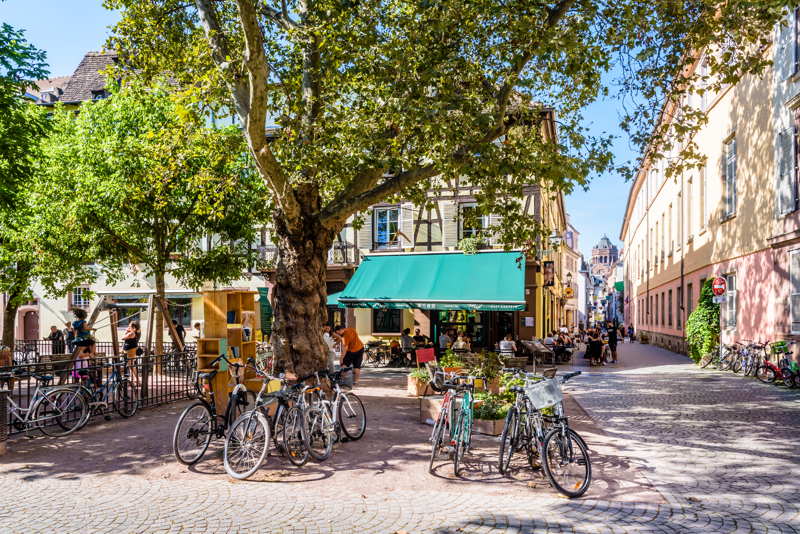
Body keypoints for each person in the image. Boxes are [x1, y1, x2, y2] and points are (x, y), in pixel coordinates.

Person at [122, 321, 141, 386]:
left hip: (130, 351)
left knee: (131, 366)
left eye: (130, 326)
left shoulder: (132, 333)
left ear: (134, 328)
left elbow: (123, 337)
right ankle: (133, 380)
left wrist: (126, 331)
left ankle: (137, 380)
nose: (128, 327)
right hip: (129, 351)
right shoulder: (132, 333)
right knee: (131, 366)